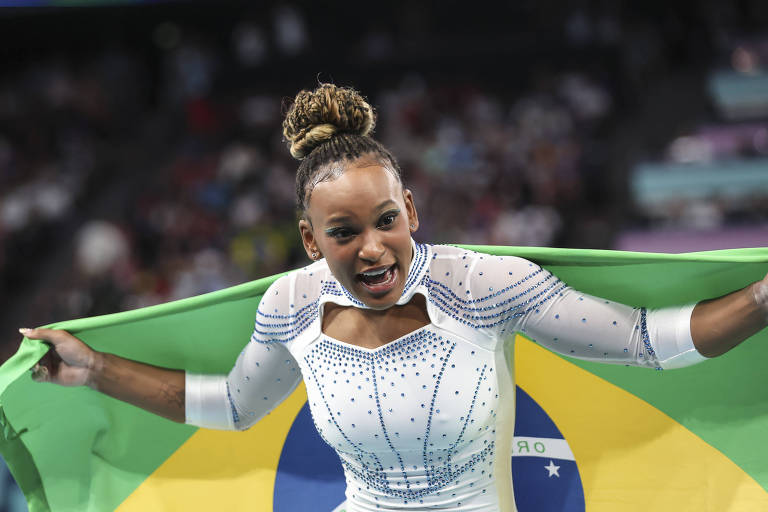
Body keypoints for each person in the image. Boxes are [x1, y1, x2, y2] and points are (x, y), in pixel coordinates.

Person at [21, 84, 768, 512]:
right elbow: (235, 405)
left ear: (411, 210)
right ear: (312, 241)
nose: (373, 248)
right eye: (344, 232)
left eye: (386, 221)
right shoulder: (288, 307)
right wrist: (95, 371)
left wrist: (763, 298)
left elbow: (646, 339)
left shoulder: (482, 285)